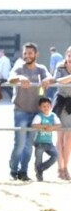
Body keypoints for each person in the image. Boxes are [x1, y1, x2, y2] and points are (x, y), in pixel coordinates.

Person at [8, 42, 51, 181]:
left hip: (35, 113)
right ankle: (13, 169)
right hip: (20, 110)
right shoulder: (19, 67)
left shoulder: (41, 68)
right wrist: (20, 78)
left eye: (30, 53)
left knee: (28, 146)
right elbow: (10, 78)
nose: (27, 56)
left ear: (36, 54)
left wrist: (46, 80)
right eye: (25, 53)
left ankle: (23, 171)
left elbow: (50, 77)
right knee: (19, 144)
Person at [46, 45, 71, 180]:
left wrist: (66, 79)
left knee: (68, 140)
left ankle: (65, 167)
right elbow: (57, 82)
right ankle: (59, 168)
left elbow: (63, 81)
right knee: (59, 138)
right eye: (70, 55)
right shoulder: (60, 67)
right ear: (66, 55)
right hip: (61, 101)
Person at [31, 97, 61, 181]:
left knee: (56, 155)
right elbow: (34, 125)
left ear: (51, 106)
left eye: (48, 106)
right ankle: (39, 175)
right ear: (40, 107)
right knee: (38, 159)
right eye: (43, 106)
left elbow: (59, 125)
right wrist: (44, 126)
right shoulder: (39, 116)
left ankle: (41, 168)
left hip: (49, 142)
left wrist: (52, 127)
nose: (46, 108)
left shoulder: (53, 115)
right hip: (39, 142)